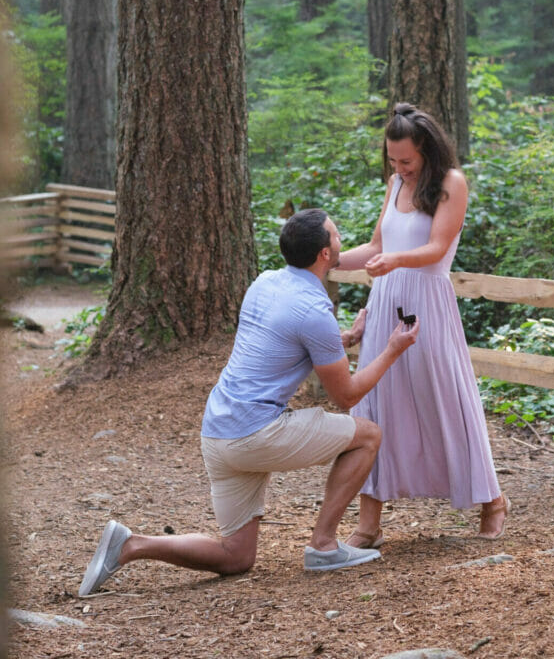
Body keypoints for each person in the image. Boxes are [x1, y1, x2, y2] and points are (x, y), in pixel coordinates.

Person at [78, 208, 419, 595]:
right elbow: (347, 396)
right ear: (325, 254)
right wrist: (393, 349)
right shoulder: (313, 308)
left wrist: (339, 340)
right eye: (337, 235)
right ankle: (324, 545)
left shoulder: (266, 282)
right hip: (255, 435)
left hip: (218, 432)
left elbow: (279, 342)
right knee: (369, 435)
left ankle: (130, 544)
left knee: (235, 557)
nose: (341, 241)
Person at [338, 103, 509, 547]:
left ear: (428, 152)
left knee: (448, 397)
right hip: (386, 301)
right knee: (374, 405)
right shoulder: (395, 183)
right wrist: (328, 260)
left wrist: (394, 260)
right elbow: (378, 244)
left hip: (427, 302)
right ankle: (368, 524)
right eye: (393, 161)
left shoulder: (451, 183)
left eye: (407, 161)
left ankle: (491, 500)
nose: (399, 169)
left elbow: (436, 248)